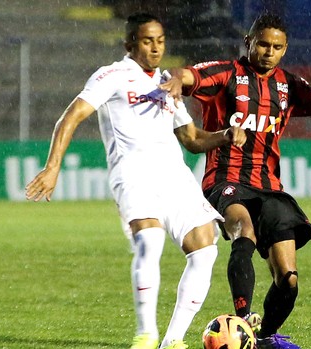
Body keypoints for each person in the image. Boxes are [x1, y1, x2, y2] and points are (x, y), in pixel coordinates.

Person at [25, 12, 245, 349]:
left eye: (160, 40)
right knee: (150, 241)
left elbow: (191, 138)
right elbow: (71, 116)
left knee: (205, 247)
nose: (156, 48)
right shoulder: (112, 75)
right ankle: (145, 335)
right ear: (130, 43)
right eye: (147, 40)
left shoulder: (169, 81)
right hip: (133, 172)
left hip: (174, 174)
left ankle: (173, 340)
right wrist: (53, 166)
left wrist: (225, 135)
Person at [161, 13, 311, 349]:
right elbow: (187, 75)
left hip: (269, 188)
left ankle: (264, 337)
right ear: (249, 42)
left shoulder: (290, 85)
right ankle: (243, 320)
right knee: (244, 231)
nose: (269, 51)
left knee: (288, 278)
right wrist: (177, 80)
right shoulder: (225, 73)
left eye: (277, 47)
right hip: (225, 181)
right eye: (263, 44)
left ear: (285, 49)